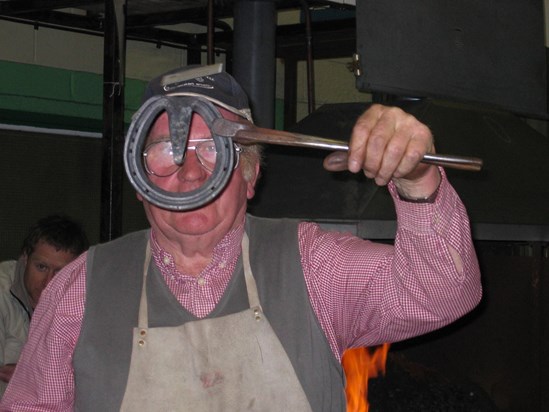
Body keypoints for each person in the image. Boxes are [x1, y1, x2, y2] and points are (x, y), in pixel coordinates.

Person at [1, 65, 482, 411]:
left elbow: (439, 296)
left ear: (250, 176)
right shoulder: (79, 287)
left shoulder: (312, 262)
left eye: (212, 149)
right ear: (138, 176)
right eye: (167, 152)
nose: (189, 173)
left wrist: (419, 182)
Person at [0, 214, 88, 397]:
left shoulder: (84, 297)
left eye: (60, 272)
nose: (48, 282)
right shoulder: (2, 292)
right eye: (41, 267)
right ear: (24, 258)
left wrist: (29, 374)